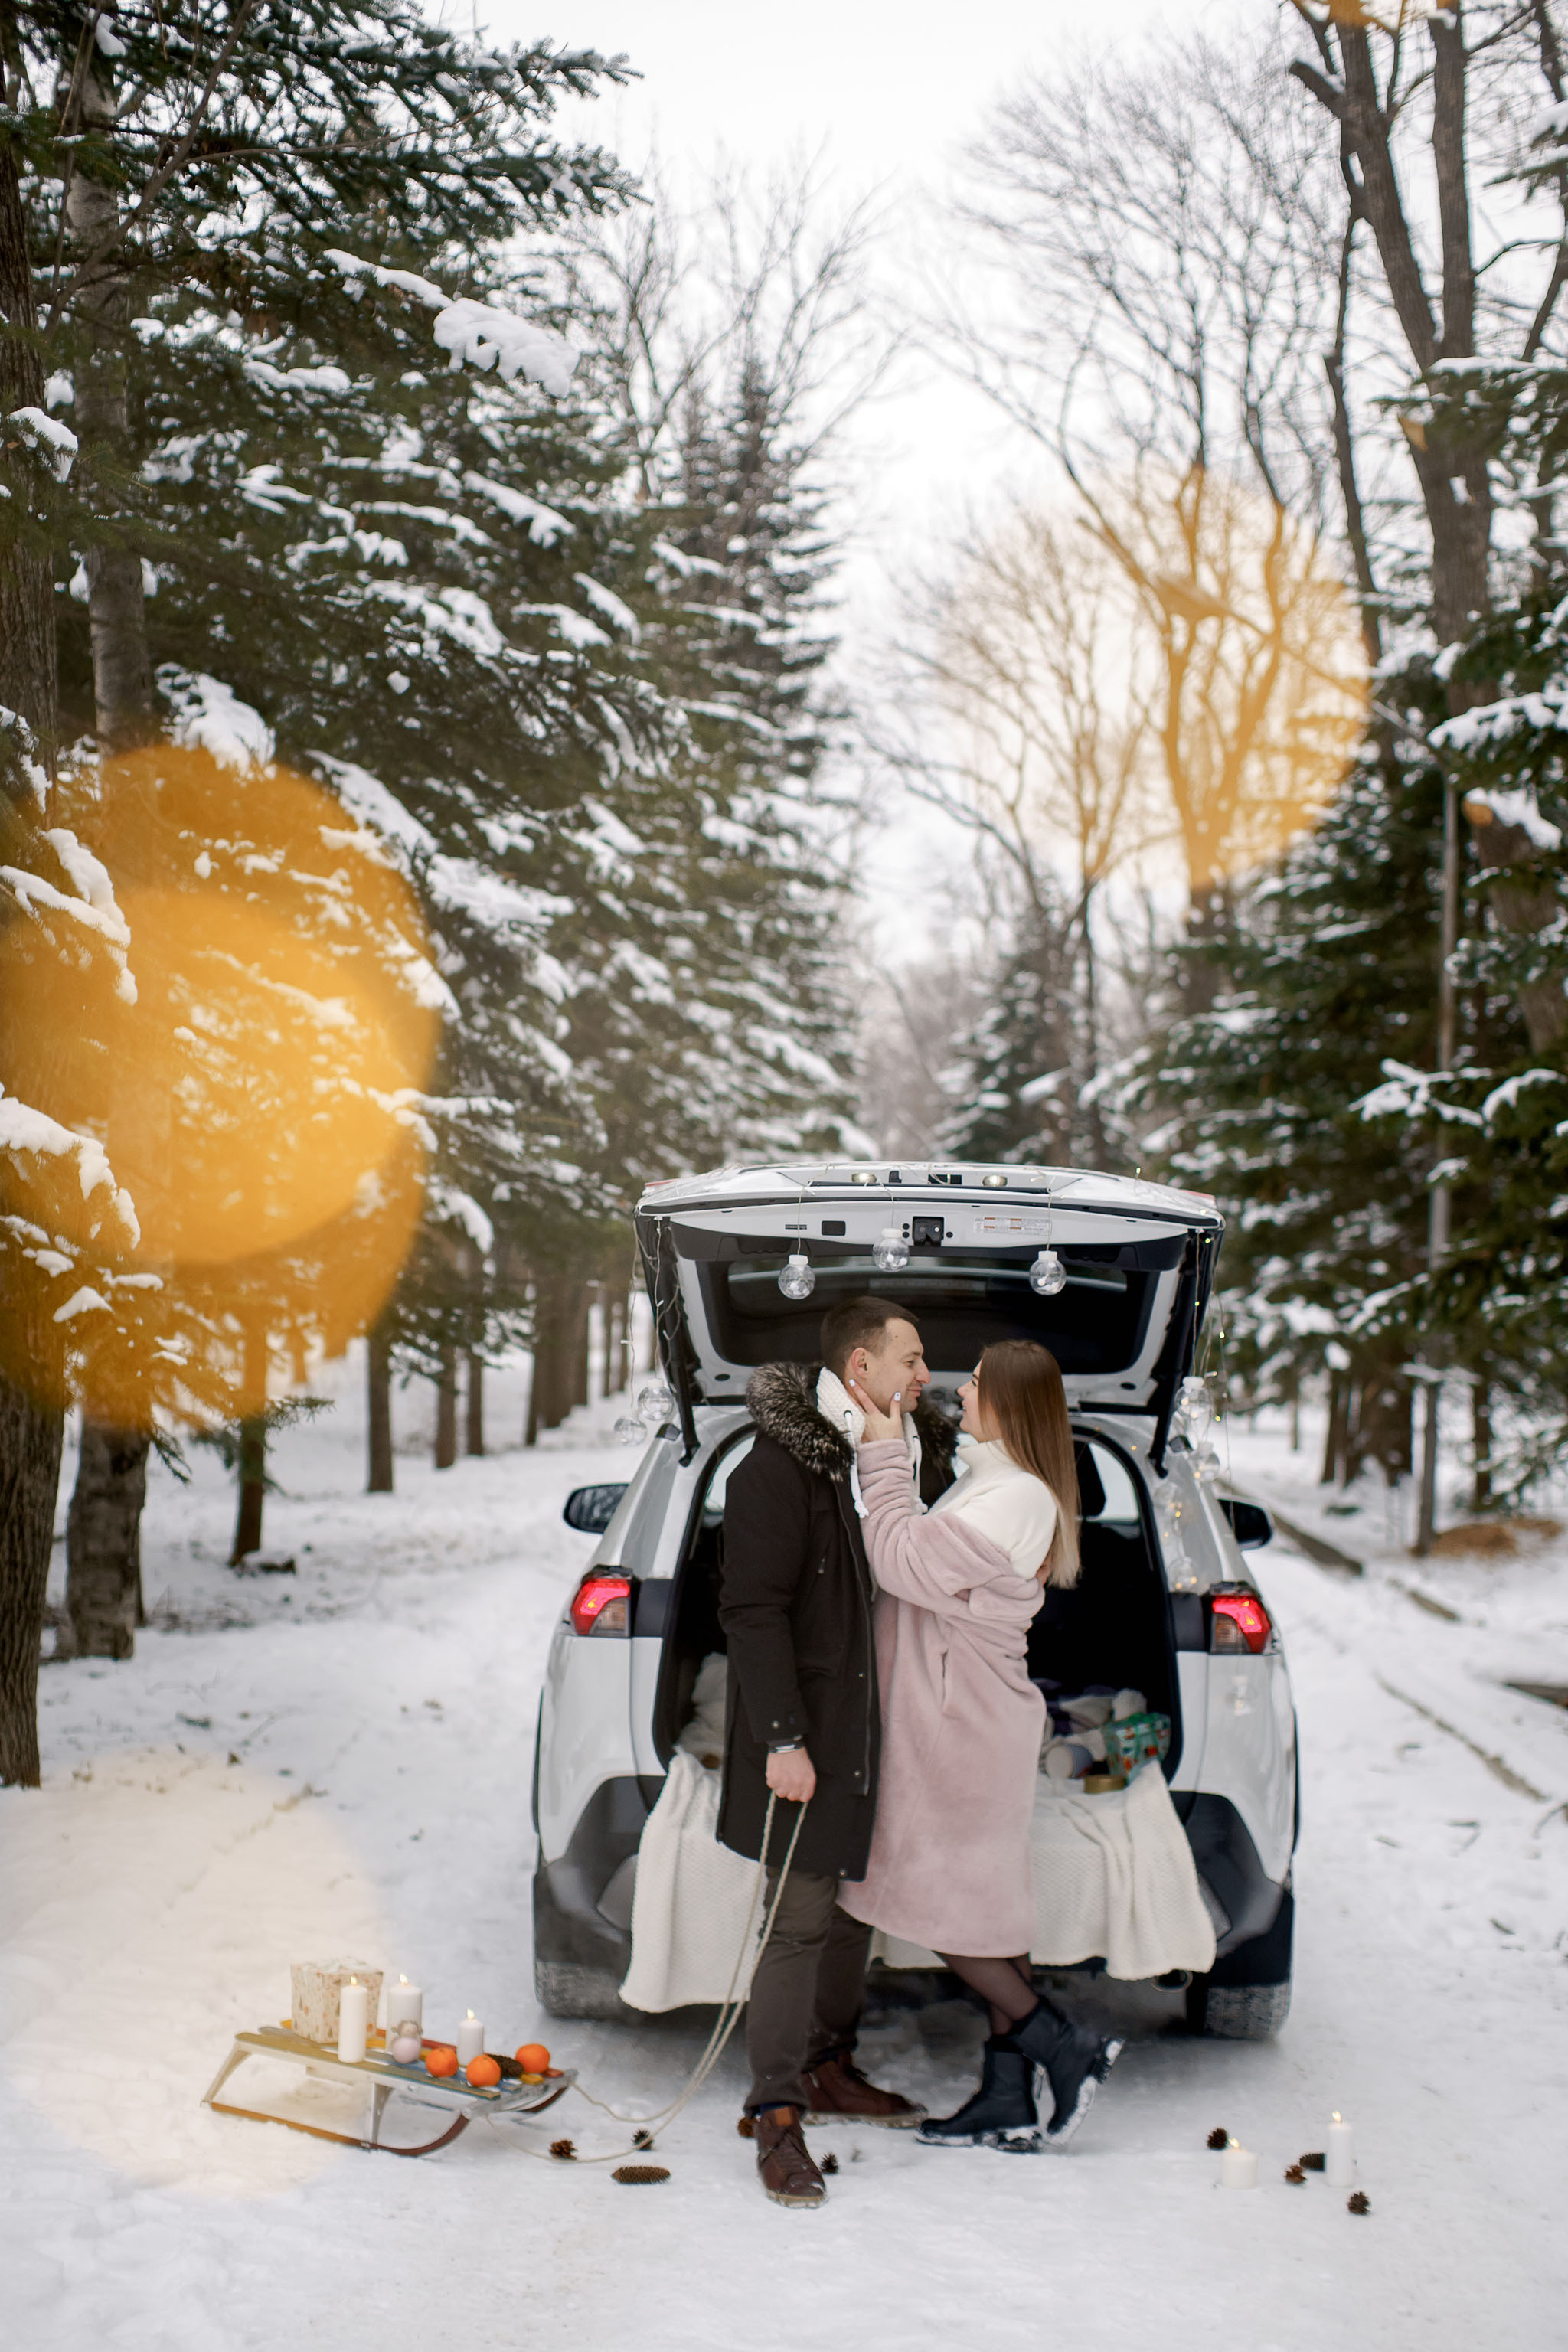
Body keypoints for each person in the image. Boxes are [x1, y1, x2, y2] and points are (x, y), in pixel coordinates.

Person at [840, 1338, 1122, 2151]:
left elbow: (896, 1561)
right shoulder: (989, 1481)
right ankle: (1005, 2094)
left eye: (975, 1385)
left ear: (1008, 1402)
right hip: (961, 1715)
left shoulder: (1017, 1496)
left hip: (960, 1726)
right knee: (988, 1916)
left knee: (952, 1914)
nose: (960, 1392)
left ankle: (1062, 2045)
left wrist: (884, 1456)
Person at [717, 1294, 957, 2207]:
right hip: (809, 1732)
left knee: (857, 1905)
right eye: (912, 1357)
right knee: (801, 1914)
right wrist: (781, 1738)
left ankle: (828, 2067)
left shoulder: (908, 1455)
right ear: (860, 1369)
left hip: (883, 1723)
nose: (925, 1375)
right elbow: (750, 1613)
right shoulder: (775, 1466)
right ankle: (776, 2113)